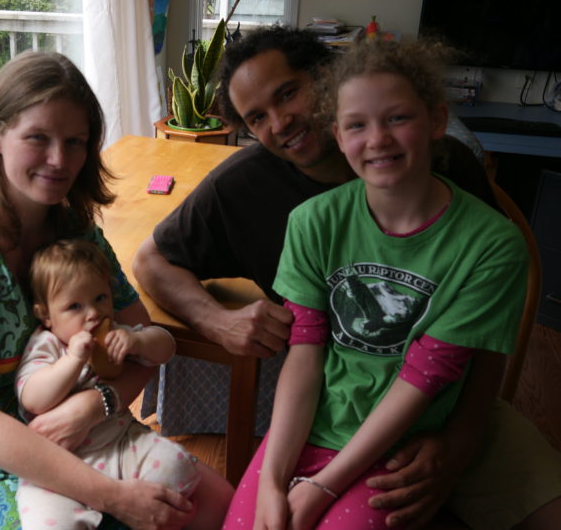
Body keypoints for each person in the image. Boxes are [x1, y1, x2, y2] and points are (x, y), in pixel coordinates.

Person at [133, 25, 561, 530]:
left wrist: (457, 446)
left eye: (288, 93)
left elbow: (485, 344)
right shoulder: (257, 193)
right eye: (257, 118)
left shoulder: (449, 170)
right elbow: (150, 261)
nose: (280, 122)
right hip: (333, 401)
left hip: (454, 399)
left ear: (326, 79)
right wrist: (216, 322)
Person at [0, 50, 230, 530]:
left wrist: (92, 405)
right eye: (38, 138)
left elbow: (142, 339)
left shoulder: (75, 231)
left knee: (220, 502)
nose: (60, 160)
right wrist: (117, 498)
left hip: (77, 437)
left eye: (75, 142)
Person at [222, 38, 528, 529]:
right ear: (338, 137)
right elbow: (305, 354)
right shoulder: (311, 222)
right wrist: (275, 481)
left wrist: (322, 487)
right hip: (307, 431)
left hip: (396, 445)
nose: (378, 139)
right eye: (357, 125)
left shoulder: (493, 245)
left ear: (436, 121)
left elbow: (426, 377)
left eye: (398, 118)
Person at [15, 239, 229, 529]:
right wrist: (73, 360)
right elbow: (33, 399)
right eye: (74, 306)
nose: (93, 313)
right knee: (46, 523)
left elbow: (166, 347)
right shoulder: (49, 346)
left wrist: (138, 341)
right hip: (58, 464)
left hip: (119, 441)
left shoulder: (115, 334)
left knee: (176, 465)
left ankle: (133, 509)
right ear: (46, 316)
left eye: (101, 298)